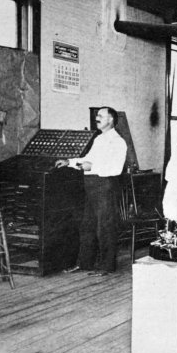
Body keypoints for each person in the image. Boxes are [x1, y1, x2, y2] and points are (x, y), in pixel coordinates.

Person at [56, 106, 128, 276]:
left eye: (101, 116)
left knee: (105, 227)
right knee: (87, 225)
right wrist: (69, 162)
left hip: (105, 185)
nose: (97, 118)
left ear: (111, 120)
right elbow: (88, 160)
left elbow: (116, 168)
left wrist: (92, 166)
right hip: (91, 185)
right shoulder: (99, 139)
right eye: (97, 115)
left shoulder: (118, 142)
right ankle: (85, 263)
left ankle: (106, 266)